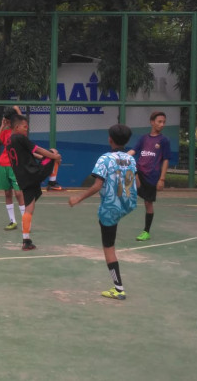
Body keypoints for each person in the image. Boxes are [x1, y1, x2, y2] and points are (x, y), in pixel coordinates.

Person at [69, 124, 137, 300]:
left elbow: (97, 185)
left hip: (110, 208)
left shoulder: (104, 159)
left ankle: (118, 288)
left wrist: (78, 198)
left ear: (110, 139)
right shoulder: (131, 159)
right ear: (127, 141)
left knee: (109, 247)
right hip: (128, 203)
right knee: (112, 225)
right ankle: (118, 287)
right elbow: (134, 182)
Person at [7, 114, 62, 250]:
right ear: (17, 127)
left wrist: (44, 157)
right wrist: (54, 156)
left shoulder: (9, 141)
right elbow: (37, 149)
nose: (26, 129)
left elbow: (32, 154)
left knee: (29, 208)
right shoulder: (20, 137)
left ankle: (26, 241)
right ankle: (52, 183)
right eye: (25, 127)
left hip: (23, 179)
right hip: (33, 173)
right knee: (53, 150)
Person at [127, 111, 171, 241]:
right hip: (139, 172)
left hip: (152, 176)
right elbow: (133, 151)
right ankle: (125, 194)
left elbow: (166, 160)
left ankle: (146, 232)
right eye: (159, 122)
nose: (162, 124)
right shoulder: (144, 138)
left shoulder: (164, 140)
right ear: (152, 122)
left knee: (148, 203)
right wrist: (122, 156)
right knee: (128, 171)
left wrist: (162, 179)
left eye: (164, 122)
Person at [0, 106, 25, 230]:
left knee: (19, 193)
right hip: (3, 166)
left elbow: (23, 122)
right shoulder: (5, 132)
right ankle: (12, 221)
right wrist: (2, 126)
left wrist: (17, 110)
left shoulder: (19, 131)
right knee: (7, 193)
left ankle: (25, 221)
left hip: (15, 166)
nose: (7, 122)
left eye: (8, 120)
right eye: (6, 120)